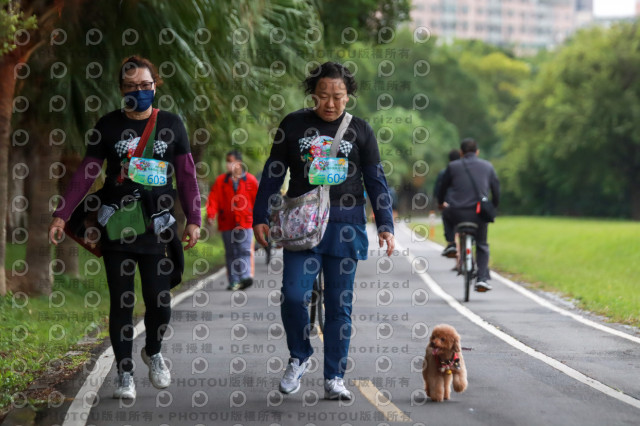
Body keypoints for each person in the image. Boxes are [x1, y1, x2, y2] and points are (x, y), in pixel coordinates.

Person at [48, 56, 201, 399]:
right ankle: (124, 372)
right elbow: (87, 171)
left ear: (155, 86)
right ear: (121, 90)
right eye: (131, 87)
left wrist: (194, 219)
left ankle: (154, 350)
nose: (139, 91)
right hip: (117, 226)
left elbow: (187, 175)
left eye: (145, 86)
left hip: (157, 225)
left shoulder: (172, 125)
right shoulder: (108, 126)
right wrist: (62, 213)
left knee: (160, 300)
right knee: (122, 300)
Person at [253, 61, 395, 400]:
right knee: (293, 294)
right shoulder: (293, 125)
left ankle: (334, 377)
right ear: (312, 95)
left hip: (346, 225)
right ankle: (300, 355)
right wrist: (260, 214)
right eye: (323, 96)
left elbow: (375, 179)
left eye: (338, 96)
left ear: (348, 97)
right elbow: (273, 172)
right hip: (304, 224)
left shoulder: (361, 130)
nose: (330, 104)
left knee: (339, 304)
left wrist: (386, 224)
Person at [437, 138, 499, 292]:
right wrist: (493, 207)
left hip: (457, 212)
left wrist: (441, 203)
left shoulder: (452, 166)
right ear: (477, 152)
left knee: (445, 213)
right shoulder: (488, 166)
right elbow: (496, 191)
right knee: (482, 244)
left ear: (461, 152)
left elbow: (442, 189)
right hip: (479, 213)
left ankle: (451, 243)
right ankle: (482, 278)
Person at [206, 149, 258, 291]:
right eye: (227, 161)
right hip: (227, 223)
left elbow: (257, 201)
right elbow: (213, 200)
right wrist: (211, 215)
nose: (228, 164)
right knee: (231, 252)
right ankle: (234, 281)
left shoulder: (250, 181)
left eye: (231, 161)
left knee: (245, 250)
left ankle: (245, 277)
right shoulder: (221, 181)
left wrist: (260, 219)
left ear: (239, 163)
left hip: (246, 222)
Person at [434, 149, 461, 257]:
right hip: (467, 204)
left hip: (449, 204)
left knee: (448, 220)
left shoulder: (444, 172)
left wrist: (440, 203)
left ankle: (451, 242)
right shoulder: (466, 171)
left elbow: (438, 190)